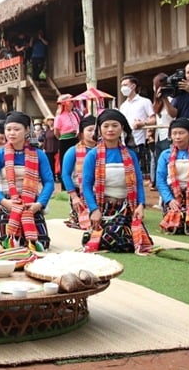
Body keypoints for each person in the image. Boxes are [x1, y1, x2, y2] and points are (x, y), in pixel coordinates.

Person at [81, 109, 154, 254]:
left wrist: (140, 205)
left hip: (126, 208)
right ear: (99, 130)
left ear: (122, 128)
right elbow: (86, 186)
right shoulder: (93, 155)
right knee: (109, 240)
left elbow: (138, 182)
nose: (110, 129)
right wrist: (94, 210)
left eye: (115, 125)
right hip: (104, 208)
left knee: (129, 243)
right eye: (106, 126)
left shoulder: (130, 154)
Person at [0, 111, 55, 251]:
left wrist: (39, 204)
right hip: (9, 202)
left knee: (42, 244)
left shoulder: (38, 154)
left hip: (31, 204)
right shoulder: (0, 154)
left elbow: (49, 182)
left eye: (17, 129)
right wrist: (4, 202)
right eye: (8, 129)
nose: (11, 133)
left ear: (27, 130)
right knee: (10, 243)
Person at [60, 115, 96, 229]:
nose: (93, 133)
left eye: (96, 130)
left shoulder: (104, 149)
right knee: (84, 223)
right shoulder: (73, 151)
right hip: (79, 191)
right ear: (81, 133)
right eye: (89, 130)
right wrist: (74, 197)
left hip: (100, 190)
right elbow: (65, 175)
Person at [118, 75, 155, 178]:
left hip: (139, 141)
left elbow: (153, 119)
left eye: (125, 85)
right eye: (122, 85)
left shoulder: (144, 102)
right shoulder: (123, 105)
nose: (123, 88)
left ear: (133, 86)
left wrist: (143, 123)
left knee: (137, 169)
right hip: (124, 141)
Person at [151, 73, 174, 192]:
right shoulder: (156, 102)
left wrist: (164, 98)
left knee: (169, 166)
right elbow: (156, 118)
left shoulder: (170, 99)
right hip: (159, 137)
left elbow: (173, 115)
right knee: (160, 166)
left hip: (169, 136)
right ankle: (162, 195)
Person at [53, 94, 80, 191]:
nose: (72, 103)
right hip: (64, 140)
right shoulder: (59, 116)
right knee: (65, 163)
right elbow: (56, 132)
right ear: (64, 103)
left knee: (76, 162)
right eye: (70, 101)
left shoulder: (74, 114)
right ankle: (65, 187)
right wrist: (63, 136)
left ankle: (76, 183)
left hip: (75, 139)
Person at [41, 116, 59, 182]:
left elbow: (58, 139)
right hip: (48, 150)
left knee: (57, 164)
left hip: (56, 149)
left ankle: (58, 178)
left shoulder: (56, 130)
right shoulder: (47, 131)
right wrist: (44, 148)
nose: (50, 122)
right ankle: (52, 178)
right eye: (48, 120)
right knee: (50, 164)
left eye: (52, 120)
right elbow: (45, 140)